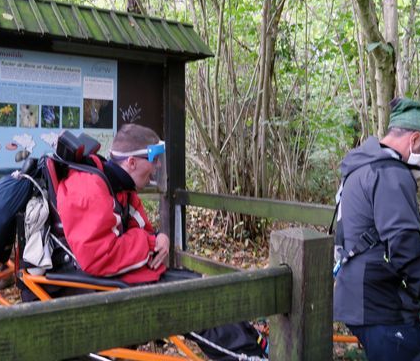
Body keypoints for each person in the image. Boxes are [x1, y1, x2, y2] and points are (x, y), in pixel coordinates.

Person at [54, 123, 268, 360]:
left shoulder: (121, 186)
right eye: (154, 159)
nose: (157, 167)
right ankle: (248, 355)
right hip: (98, 285)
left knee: (200, 285)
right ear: (132, 162)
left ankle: (253, 346)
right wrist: (149, 243)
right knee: (193, 302)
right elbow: (96, 256)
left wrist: (160, 238)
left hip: (128, 277)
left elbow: (144, 230)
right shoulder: (90, 188)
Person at [333, 98, 420, 360]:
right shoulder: (390, 172)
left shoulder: (360, 169)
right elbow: (405, 247)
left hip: (358, 300)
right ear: (415, 139)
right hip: (383, 308)